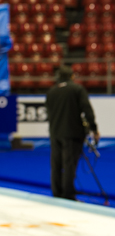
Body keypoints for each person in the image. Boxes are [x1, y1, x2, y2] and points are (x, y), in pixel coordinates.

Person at [45, 65, 99, 200]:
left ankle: (57, 191)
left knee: (56, 164)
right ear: (72, 76)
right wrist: (94, 129)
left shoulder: (51, 91)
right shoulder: (76, 89)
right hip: (72, 133)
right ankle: (68, 194)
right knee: (69, 164)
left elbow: (49, 112)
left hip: (55, 132)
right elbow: (87, 110)